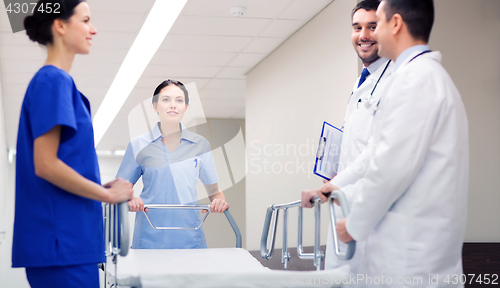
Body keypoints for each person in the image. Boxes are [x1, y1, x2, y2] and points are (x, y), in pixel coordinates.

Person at [304, 0, 468, 286]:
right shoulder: (424, 77)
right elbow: (383, 152)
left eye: (376, 23)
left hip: (410, 257)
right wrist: (337, 185)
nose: (371, 34)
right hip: (415, 252)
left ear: (395, 24)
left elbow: (389, 167)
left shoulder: (414, 80)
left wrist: (354, 225)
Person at [11, 1, 134, 287]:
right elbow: (45, 164)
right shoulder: (52, 81)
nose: (94, 29)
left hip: (69, 241)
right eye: (86, 20)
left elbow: (60, 162)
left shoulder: (57, 82)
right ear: (61, 25)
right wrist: (108, 196)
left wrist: (96, 187)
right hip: (62, 243)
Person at [307, 0, 393, 275]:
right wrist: (333, 176)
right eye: (357, 27)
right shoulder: (363, 82)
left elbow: (379, 152)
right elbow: (357, 146)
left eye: (372, 27)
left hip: (373, 214)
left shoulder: (396, 81)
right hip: (346, 207)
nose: (363, 35)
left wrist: (334, 186)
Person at [117, 79, 229, 249]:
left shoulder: (200, 145)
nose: (173, 105)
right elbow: (119, 190)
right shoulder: (138, 145)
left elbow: (215, 191)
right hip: (149, 238)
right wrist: (130, 199)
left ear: (185, 107)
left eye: (179, 100)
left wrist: (219, 202)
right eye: (166, 99)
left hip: (189, 237)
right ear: (155, 106)